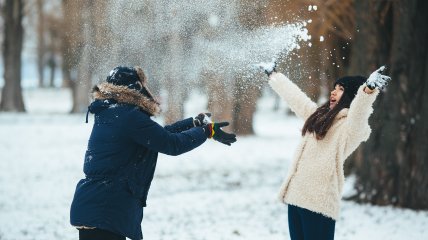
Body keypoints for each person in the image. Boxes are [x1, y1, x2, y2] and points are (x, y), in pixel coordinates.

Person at [70, 66, 237, 240]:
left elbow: (157, 136)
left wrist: (194, 123)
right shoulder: (128, 117)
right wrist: (206, 132)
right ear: (135, 87)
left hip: (97, 206)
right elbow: (172, 145)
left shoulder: (113, 113)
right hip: (106, 209)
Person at [261, 63, 391, 240]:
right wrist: (274, 75)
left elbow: (359, 113)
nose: (333, 92)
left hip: (319, 204)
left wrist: (367, 91)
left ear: (351, 95)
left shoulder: (350, 129)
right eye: (334, 88)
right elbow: (296, 98)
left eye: (340, 89)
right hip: (296, 199)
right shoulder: (318, 117)